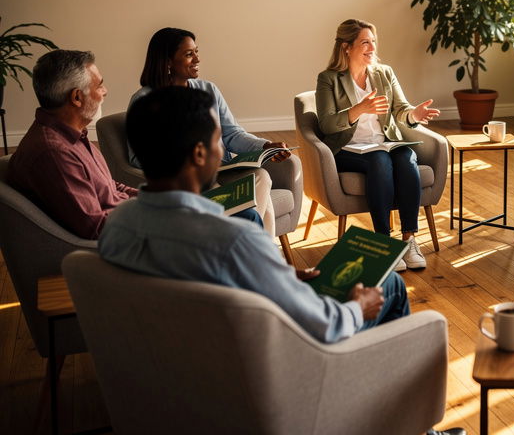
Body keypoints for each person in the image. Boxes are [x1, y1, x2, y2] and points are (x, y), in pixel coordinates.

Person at [101, 85, 410, 341]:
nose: (221, 151)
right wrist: (357, 308)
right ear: (199, 153)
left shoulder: (117, 225)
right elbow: (324, 325)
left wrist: (275, 276)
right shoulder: (235, 239)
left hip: (182, 364)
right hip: (270, 366)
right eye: (217, 141)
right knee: (391, 286)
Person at [129, 27, 291, 235]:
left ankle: (248, 242)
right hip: (189, 178)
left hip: (222, 167)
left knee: (261, 176)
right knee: (257, 204)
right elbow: (137, 157)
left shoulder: (208, 90)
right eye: (189, 54)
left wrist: (265, 146)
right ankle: (253, 244)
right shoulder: (144, 100)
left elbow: (232, 134)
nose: (197, 59)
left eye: (196, 52)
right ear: (167, 62)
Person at [316, 19, 440, 271]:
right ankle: (384, 243)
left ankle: (409, 239)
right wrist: (359, 109)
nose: (372, 48)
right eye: (365, 42)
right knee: (379, 161)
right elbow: (327, 124)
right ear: (346, 47)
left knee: (406, 158)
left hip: (384, 143)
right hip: (348, 148)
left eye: (373, 41)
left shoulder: (384, 73)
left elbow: (401, 108)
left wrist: (414, 114)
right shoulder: (329, 79)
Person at [7, 50, 138, 239]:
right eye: (100, 86)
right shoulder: (54, 153)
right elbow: (97, 228)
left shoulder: (72, 134)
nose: (105, 91)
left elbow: (109, 188)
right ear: (77, 97)